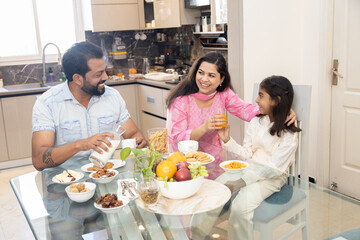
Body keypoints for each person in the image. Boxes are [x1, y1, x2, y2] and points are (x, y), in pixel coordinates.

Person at [166, 52, 296, 176]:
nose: (204, 79)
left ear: (221, 79)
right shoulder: (181, 100)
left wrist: (281, 110)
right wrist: (205, 127)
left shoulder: (224, 94)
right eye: (200, 73)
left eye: (211, 75)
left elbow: (246, 111)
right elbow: (177, 137)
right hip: (184, 163)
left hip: (214, 162)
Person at [32, 41, 146, 171]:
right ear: (77, 79)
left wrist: (138, 140)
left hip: (106, 176)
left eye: (105, 71)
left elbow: (132, 133)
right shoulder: (48, 103)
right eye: (98, 74)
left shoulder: (112, 96)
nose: (105, 77)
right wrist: (80, 145)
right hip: (65, 180)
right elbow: (39, 160)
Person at [215, 75, 302, 239]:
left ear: (276, 100)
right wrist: (227, 140)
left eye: (261, 96)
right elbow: (247, 153)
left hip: (273, 177)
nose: (256, 100)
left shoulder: (289, 133)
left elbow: (274, 169)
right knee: (217, 187)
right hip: (250, 169)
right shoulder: (257, 122)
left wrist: (243, 181)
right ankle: (198, 233)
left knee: (241, 206)